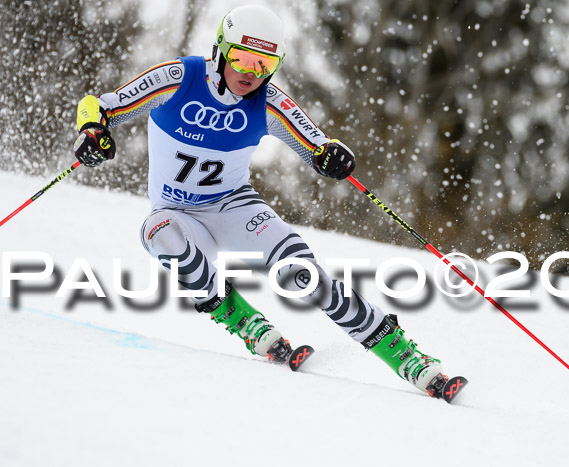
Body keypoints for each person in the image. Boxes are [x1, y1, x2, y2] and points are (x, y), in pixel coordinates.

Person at [73, 4, 453, 397]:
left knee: (302, 275)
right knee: (164, 237)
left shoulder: (267, 102)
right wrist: (91, 131)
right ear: (220, 50)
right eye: (240, 59)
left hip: (234, 208)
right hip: (174, 213)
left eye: (263, 64)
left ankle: (404, 355)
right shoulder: (178, 77)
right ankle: (242, 320)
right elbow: (99, 106)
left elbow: (316, 145)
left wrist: (332, 156)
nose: (249, 73)